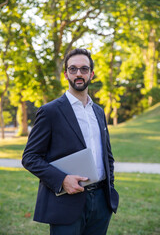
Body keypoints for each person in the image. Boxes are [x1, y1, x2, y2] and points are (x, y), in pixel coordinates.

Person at [22, 48, 119, 235]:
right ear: (66, 74)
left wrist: (110, 188)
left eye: (84, 69)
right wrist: (62, 180)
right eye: (73, 69)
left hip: (101, 202)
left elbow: (107, 156)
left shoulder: (98, 112)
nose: (79, 74)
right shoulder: (50, 112)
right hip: (66, 202)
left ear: (91, 73)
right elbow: (30, 157)